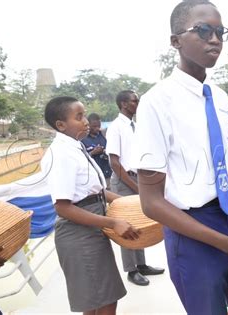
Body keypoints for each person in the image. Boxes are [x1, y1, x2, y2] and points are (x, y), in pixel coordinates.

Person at [131, 1, 228, 314]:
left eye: (220, 31)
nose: (215, 39)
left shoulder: (220, 97)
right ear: (175, 40)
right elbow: (151, 202)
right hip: (193, 229)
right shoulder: (157, 103)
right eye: (203, 30)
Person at [41, 96, 139, 314]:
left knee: (99, 298)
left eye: (84, 115)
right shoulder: (60, 154)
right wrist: (113, 221)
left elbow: (94, 190)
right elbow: (63, 207)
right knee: (103, 301)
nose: (86, 121)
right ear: (61, 125)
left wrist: (127, 202)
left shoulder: (75, 147)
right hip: (79, 235)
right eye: (79, 117)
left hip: (91, 229)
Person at [106, 90, 164, 286]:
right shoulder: (116, 127)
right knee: (127, 224)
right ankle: (131, 270)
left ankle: (141, 264)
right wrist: (136, 187)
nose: (137, 103)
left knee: (139, 222)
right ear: (123, 104)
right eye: (134, 101)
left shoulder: (136, 126)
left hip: (137, 179)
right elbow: (114, 162)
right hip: (124, 181)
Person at [81, 113, 112, 189]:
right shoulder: (82, 139)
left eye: (99, 126)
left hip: (107, 174)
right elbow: (81, 158)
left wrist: (105, 151)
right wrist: (92, 153)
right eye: (94, 126)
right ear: (88, 125)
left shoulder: (104, 135)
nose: (97, 128)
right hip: (93, 177)